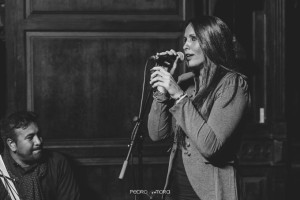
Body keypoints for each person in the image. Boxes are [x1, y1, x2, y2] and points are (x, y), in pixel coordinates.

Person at [148, 16, 251, 200]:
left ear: (211, 41)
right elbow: (157, 134)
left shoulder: (232, 84)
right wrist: (162, 92)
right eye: (185, 39)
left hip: (210, 191)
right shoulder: (184, 81)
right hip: (177, 185)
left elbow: (211, 147)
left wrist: (178, 95)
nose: (185, 45)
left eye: (193, 39)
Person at [0, 111, 80, 200]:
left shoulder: (58, 163)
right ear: (12, 144)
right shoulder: (1, 169)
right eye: (30, 137)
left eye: (39, 135)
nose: (38, 141)